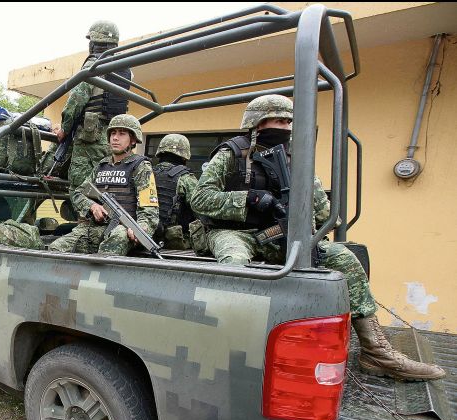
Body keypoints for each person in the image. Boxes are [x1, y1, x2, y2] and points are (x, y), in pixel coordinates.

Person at [190, 94, 444, 381]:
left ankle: (376, 351)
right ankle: (231, 346)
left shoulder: (297, 159)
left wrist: (304, 221)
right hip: (235, 232)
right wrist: (250, 199)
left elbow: (325, 213)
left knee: (343, 257)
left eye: (288, 121)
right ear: (256, 123)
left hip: (279, 234)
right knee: (234, 263)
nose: (285, 127)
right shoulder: (232, 154)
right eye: (277, 120)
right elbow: (200, 199)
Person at [49, 114, 159, 256]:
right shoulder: (101, 166)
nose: (115, 138)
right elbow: (78, 194)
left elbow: (149, 209)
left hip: (123, 231)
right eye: (113, 133)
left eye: (122, 134)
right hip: (92, 230)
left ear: (133, 140)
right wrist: (92, 206)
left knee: (117, 238)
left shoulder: (141, 166)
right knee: (55, 250)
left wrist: (142, 229)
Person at [53, 21, 133, 196]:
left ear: (95, 41)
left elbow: (76, 100)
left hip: (90, 140)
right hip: (112, 137)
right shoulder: (126, 68)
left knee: (80, 189)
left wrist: (65, 129)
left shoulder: (94, 64)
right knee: (105, 185)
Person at [152, 134, 198, 250]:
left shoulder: (147, 173)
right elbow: (201, 209)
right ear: (184, 156)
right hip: (175, 243)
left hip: (147, 237)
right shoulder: (186, 178)